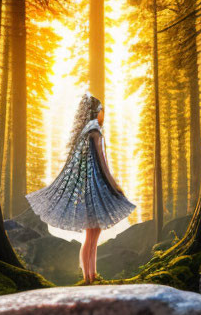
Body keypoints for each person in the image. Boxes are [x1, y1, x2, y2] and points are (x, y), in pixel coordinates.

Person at [25, 93, 135, 283]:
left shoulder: (85, 131)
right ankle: (89, 277)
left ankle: (90, 276)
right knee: (92, 236)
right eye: (101, 110)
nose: (103, 114)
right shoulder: (95, 131)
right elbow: (102, 162)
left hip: (89, 191)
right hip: (96, 191)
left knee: (91, 236)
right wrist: (115, 186)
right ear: (95, 112)